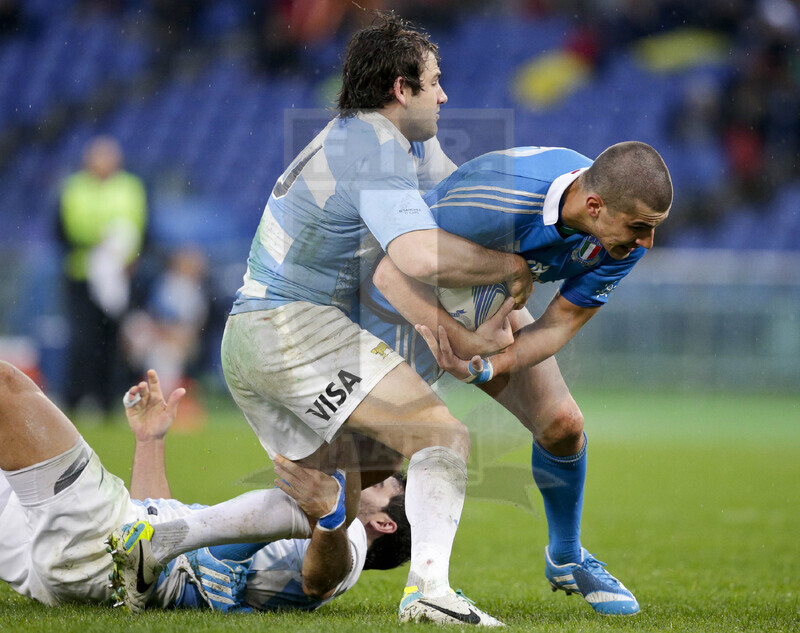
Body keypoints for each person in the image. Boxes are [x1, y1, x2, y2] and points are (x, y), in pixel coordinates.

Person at [210, 13, 530, 625]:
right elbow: (419, 255)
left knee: (334, 493)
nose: (445, 95)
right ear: (400, 89)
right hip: (288, 326)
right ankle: (428, 591)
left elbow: (457, 204)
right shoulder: (372, 147)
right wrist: (515, 264)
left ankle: (159, 545)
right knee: (441, 438)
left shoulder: (386, 139)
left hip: (266, 331)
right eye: (434, 82)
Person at [357, 141, 673, 616]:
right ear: (594, 206)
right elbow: (389, 271)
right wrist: (462, 338)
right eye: (640, 228)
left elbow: (559, 325)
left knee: (562, 425)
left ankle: (566, 557)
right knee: (353, 474)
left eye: (652, 228)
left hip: (478, 311)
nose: (647, 242)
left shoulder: (618, 235)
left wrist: (488, 365)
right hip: (387, 311)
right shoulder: (499, 199)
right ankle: (256, 555)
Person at [0, 362, 410, 612]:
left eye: (381, 484)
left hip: (97, 552)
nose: (365, 480)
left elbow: (320, 582)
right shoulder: (322, 523)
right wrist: (150, 441)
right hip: (99, 559)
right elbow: (152, 527)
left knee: (6, 384)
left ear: (384, 523)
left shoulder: (349, 541)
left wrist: (333, 518)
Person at [57, 135, 148, 420]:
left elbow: (142, 227)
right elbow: (64, 229)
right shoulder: (75, 187)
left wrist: (130, 255)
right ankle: (78, 398)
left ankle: (110, 400)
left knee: (114, 340)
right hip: (83, 275)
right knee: (84, 340)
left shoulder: (130, 187)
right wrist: (100, 243)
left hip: (120, 276)